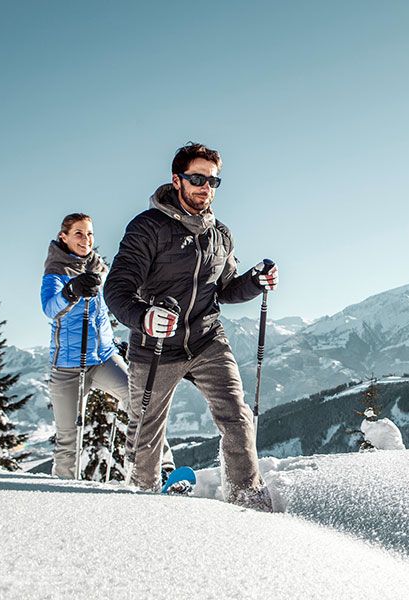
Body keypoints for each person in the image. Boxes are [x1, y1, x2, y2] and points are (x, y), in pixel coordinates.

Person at [104, 142, 278, 509]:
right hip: (155, 345)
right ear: (176, 180)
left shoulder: (220, 235)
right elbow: (117, 289)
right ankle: (144, 498)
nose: (206, 187)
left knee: (236, 414)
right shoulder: (147, 228)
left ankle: (248, 498)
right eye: (197, 178)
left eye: (214, 181)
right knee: (146, 431)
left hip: (206, 338)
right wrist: (144, 317)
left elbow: (226, 289)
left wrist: (254, 281)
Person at [41, 213, 175, 479]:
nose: (85, 239)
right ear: (63, 237)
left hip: (104, 358)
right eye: (78, 233)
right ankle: (62, 489)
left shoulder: (98, 269)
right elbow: (50, 308)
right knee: (68, 436)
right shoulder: (55, 273)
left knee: (140, 403)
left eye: (89, 233)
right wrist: (71, 291)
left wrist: (113, 342)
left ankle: (163, 468)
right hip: (69, 366)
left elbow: (100, 315)